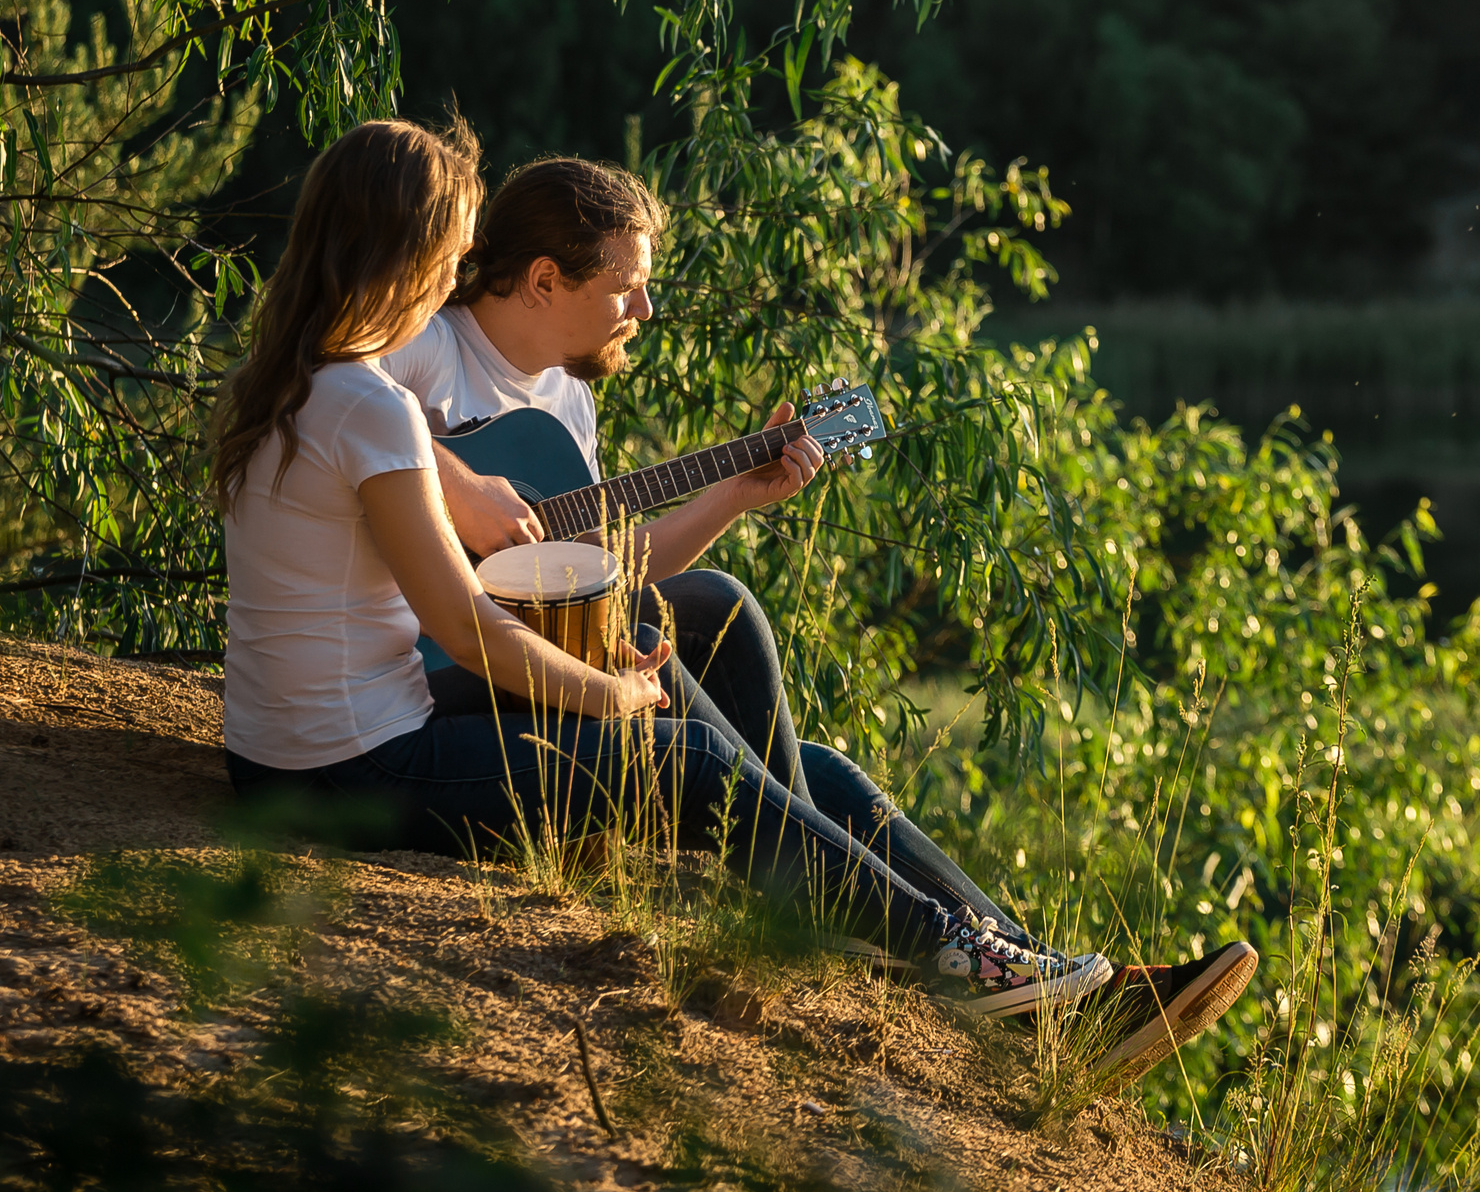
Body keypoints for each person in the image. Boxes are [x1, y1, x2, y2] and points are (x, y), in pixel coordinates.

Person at [380, 153, 1256, 1080]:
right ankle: (917, 938)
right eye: (626, 285)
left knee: (788, 721)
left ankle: (1050, 989)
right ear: (544, 279)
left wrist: (735, 494)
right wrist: (460, 484)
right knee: (689, 646)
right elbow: (336, 393)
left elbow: (603, 569)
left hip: (536, 654)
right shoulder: (427, 350)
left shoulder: (566, 399)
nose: (646, 308)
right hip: (443, 668)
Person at [209, 117, 1110, 1018]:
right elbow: (466, 629)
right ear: (404, 257)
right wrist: (612, 696)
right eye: (448, 255)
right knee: (695, 755)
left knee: (744, 730)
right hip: (346, 773)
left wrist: (672, 594)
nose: (456, 274)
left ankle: (969, 947)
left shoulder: (289, 379)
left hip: (289, 758)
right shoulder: (372, 402)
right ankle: (945, 951)